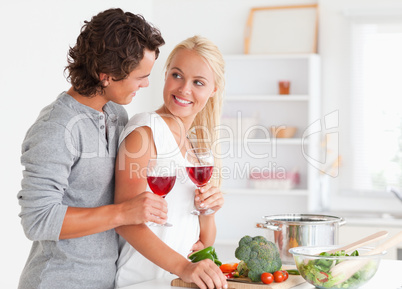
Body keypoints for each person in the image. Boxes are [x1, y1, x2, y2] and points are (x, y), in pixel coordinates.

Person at [17, 8, 166, 289]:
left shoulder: (116, 115)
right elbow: (38, 220)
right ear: (106, 75)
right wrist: (122, 213)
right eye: (140, 76)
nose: (146, 84)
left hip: (107, 280)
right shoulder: (56, 128)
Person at [114, 35, 227, 289]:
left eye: (198, 82)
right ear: (165, 75)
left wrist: (208, 210)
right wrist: (184, 267)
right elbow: (124, 222)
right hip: (140, 282)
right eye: (177, 75)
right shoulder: (145, 133)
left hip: (177, 283)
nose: (184, 89)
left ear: (213, 90)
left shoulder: (197, 149)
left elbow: (204, 243)